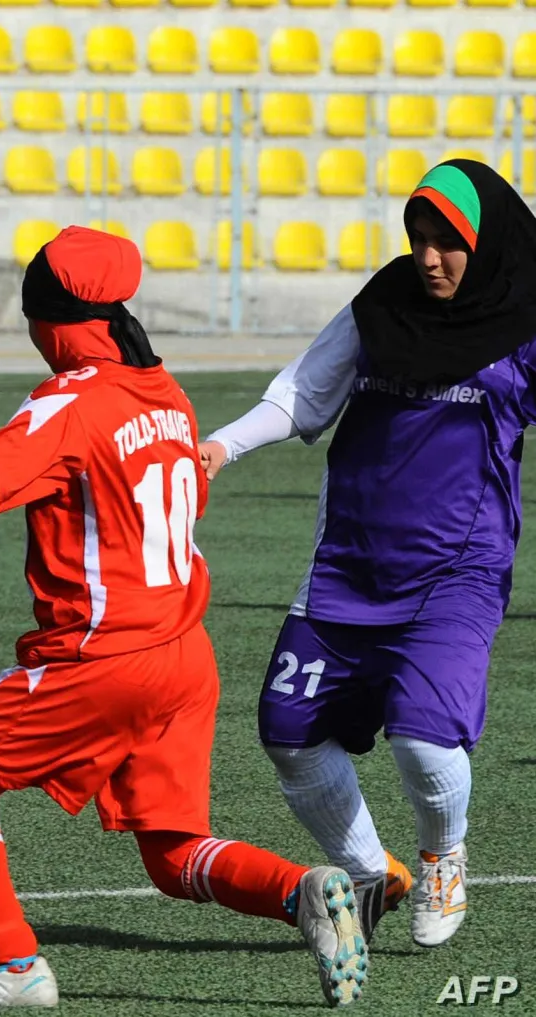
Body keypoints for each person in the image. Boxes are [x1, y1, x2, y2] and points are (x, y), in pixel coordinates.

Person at [0, 227, 367, 1010]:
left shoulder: (70, 401)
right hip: (183, 653)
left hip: (106, 656)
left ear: (53, 321)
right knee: (174, 854)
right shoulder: (165, 393)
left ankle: (13, 965)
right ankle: (300, 889)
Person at [198, 160, 536, 950]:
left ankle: (444, 858)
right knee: (288, 733)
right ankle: (370, 870)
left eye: (449, 243)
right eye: (419, 239)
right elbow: (302, 392)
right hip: (347, 566)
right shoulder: (383, 303)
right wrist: (220, 446)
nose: (430, 258)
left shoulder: (524, 320)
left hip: (457, 571)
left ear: (486, 243)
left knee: (423, 737)